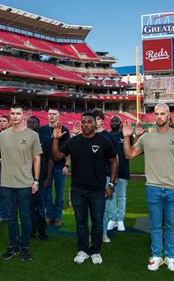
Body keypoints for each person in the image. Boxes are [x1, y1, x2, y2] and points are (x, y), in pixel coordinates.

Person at [122, 103, 174, 272]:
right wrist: (126, 137)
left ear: (169, 115)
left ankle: (171, 257)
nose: (159, 117)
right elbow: (129, 155)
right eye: (157, 114)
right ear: (154, 116)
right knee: (155, 225)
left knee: (172, 224)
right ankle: (157, 256)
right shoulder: (146, 138)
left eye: (163, 114)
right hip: (153, 187)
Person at [52, 112, 118, 265]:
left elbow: (114, 161)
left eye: (89, 122)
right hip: (78, 189)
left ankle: (95, 250)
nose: (86, 124)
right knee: (80, 222)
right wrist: (55, 139)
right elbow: (57, 156)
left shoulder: (104, 141)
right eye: (84, 122)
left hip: (97, 190)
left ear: (95, 124)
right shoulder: (73, 141)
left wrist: (111, 185)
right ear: (81, 124)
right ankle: (82, 249)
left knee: (97, 222)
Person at [0, 103, 42, 261]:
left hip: (25, 184)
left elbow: (37, 158)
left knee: (25, 217)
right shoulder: (3, 135)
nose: (14, 116)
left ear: (23, 115)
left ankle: (25, 247)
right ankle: (13, 246)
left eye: (17, 113)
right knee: (11, 218)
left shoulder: (33, 135)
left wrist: (36, 181)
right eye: (12, 113)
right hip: (6, 184)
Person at [39, 108, 70, 226]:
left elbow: (68, 151)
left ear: (59, 116)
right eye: (50, 114)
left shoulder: (65, 130)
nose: (51, 116)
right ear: (47, 116)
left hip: (59, 166)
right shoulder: (42, 130)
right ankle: (49, 215)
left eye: (54, 114)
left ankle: (58, 217)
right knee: (47, 194)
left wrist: (66, 165)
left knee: (59, 194)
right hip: (45, 168)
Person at [91, 108, 118, 243]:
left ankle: (103, 233)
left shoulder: (109, 137)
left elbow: (115, 159)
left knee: (104, 207)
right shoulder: (87, 136)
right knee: (91, 208)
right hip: (89, 177)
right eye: (93, 119)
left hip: (105, 176)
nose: (95, 122)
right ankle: (93, 234)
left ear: (102, 121)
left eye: (98, 119)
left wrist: (114, 179)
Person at [27, 116, 53, 241]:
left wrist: (48, 177)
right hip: (25, 179)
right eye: (29, 122)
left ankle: (42, 231)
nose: (31, 124)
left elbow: (50, 159)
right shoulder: (23, 138)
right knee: (28, 207)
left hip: (41, 178)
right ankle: (31, 229)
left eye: (33, 122)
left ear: (39, 124)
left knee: (40, 207)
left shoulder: (45, 139)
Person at [105, 116, 130, 233]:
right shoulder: (107, 136)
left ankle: (120, 219)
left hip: (123, 170)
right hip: (109, 171)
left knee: (121, 196)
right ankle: (113, 218)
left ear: (120, 123)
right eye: (112, 121)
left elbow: (133, 148)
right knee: (110, 196)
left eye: (116, 121)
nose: (114, 123)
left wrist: (134, 136)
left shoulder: (125, 135)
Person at [0, 114, 10, 223]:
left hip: (12, 167)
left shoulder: (13, 134)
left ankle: (10, 214)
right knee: (2, 193)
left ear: (9, 122)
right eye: (0, 121)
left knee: (12, 193)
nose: (2, 123)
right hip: (2, 167)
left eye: (4, 121)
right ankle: (2, 214)